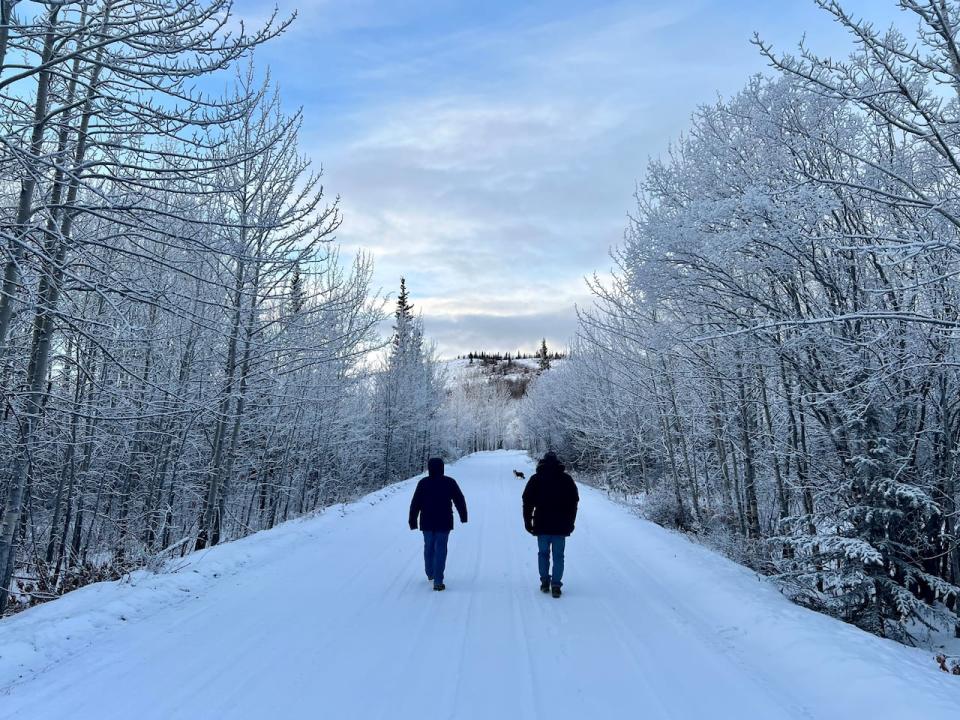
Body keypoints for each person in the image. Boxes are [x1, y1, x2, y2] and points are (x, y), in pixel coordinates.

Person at [522, 452, 579, 598]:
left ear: (542, 463)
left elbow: (527, 502)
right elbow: (574, 502)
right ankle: (556, 585)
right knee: (559, 556)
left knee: (543, 554)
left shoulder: (536, 479)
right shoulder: (566, 479)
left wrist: (528, 522)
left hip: (542, 524)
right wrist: (571, 522)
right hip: (561, 525)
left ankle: (544, 582)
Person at [409, 457, 468, 591]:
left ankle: (430, 572)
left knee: (428, 547)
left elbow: (415, 503)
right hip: (444, 521)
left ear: (429, 468)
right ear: (442, 467)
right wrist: (463, 516)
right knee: (441, 548)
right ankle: (438, 581)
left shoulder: (423, 483)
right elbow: (460, 499)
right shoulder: (450, 482)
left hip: (427, 522)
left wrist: (413, 521)